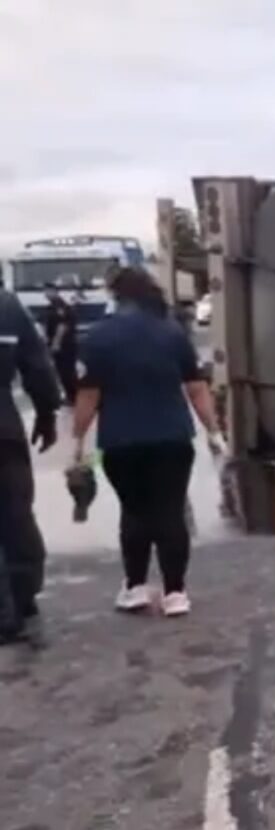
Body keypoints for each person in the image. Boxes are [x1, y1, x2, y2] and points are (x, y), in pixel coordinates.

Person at [72, 268, 224, 618]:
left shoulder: (100, 336)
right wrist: (214, 432)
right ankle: (175, 593)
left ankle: (136, 587)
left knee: (135, 511)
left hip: (121, 440)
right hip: (171, 437)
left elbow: (89, 396)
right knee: (170, 511)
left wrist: (78, 441)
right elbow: (196, 388)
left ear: (116, 294)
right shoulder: (172, 332)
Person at [0, 289, 62, 646]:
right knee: (15, 512)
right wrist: (47, 413)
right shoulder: (6, 305)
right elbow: (37, 364)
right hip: (3, 425)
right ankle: (22, 601)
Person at [41, 286, 80, 404]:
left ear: (55, 292)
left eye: (48, 291)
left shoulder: (59, 306)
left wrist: (55, 343)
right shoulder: (52, 306)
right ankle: (70, 396)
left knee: (66, 371)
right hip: (61, 344)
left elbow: (62, 326)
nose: (46, 294)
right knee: (63, 371)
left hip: (65, 345)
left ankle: (74, 396)